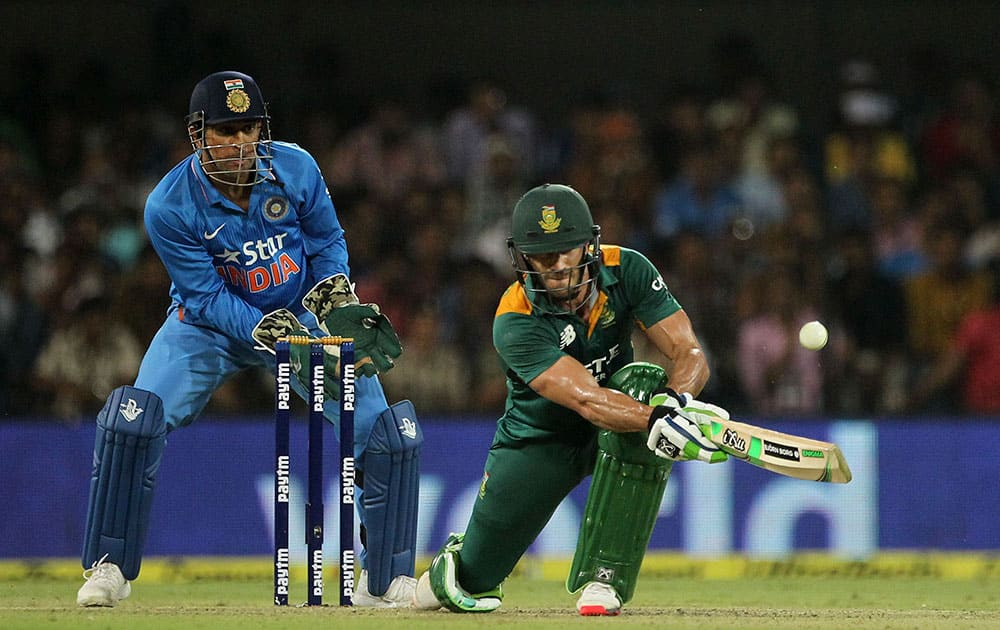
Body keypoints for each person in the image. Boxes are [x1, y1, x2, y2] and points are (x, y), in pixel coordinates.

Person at [75, 71, 423, 608]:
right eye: (227, 131)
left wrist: (334, 297)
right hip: (207, 329)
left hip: (300, 318)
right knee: (134, 421)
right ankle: (110, 567)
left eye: (250, 129)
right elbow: (207, 297)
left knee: (381, 429)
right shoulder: (168, 207)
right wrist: (262, 330)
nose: (241, 144)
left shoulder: (296, 167)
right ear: (197, 135)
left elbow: (328, 240)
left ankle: (383, 580)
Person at [412, 183, 728, 616]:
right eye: (541, 256)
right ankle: (446, 573)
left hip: (620, 417)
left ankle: (605, 580)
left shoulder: (629, 268)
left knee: (641, 382)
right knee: (471, 582)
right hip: (541, 438)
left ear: (589, 246)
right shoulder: (514, 319)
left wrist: (675, 401)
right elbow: (586, 400)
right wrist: (657, 418)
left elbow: (691, 354)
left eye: (565, 251)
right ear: (520, 257)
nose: (555, 267)